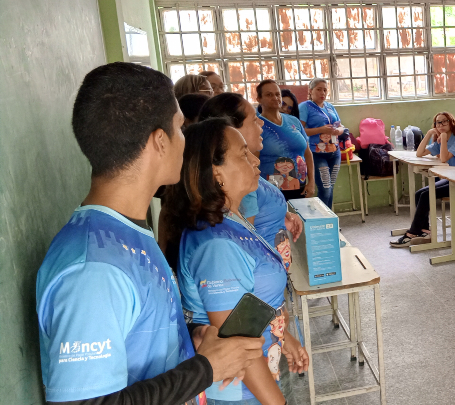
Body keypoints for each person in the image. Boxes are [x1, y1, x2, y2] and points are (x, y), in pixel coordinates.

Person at [36, 62, 262, 404]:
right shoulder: (94, 269)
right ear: (159, 141)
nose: (185, 141)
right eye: (180, 129)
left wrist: (191, 338)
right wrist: (205, 369)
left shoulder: (127, 232)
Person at [166, 118, 309, 404]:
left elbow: (247, 304)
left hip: (255, 379)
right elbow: (235, 343)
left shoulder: (232, 221)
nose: (255, 160)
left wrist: (282, 335)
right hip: (238, 393)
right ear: (216, 171)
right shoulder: (217, 244)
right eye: (243, 154)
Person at [196, 92, 304, 256]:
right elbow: (245, 245)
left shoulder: (246, 170)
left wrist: (279, 215)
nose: (261, 122)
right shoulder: (241, 182)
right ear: (232, 130)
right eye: (254, 119)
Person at [390, 112, 455, 247]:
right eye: (438, 123)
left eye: (445, 121)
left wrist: (443, 137)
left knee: (427, 194)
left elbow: (444, 158)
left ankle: (412, 232)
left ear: (451, 123)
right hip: (451, 179)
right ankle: (424, 230)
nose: (442, 125)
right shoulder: (439, 140)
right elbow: (419, 153)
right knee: (419, 193)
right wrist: (429, 134)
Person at [256, 79, 316, 201]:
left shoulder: (293, 121)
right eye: (269, 94)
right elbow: (253, 162)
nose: (275, 98)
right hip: (271, 192)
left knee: (300, 220)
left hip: (300, 187)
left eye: (277, 94)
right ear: (259, 99)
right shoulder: (256, 125)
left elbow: (307, 153)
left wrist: (311, 182)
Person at [297, 77, 344, 208]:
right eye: (319, 89)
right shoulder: (305, 107)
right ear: (311, 91)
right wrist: (321, 130)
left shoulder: (329, 107)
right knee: (325, 188)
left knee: (330, 187)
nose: (322, 93)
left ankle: (330, 221)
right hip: (316, 153)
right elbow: (300, 131)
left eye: (325, 90)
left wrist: (338, 131)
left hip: (334, 152)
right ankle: (325, 222)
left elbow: (341, 126)